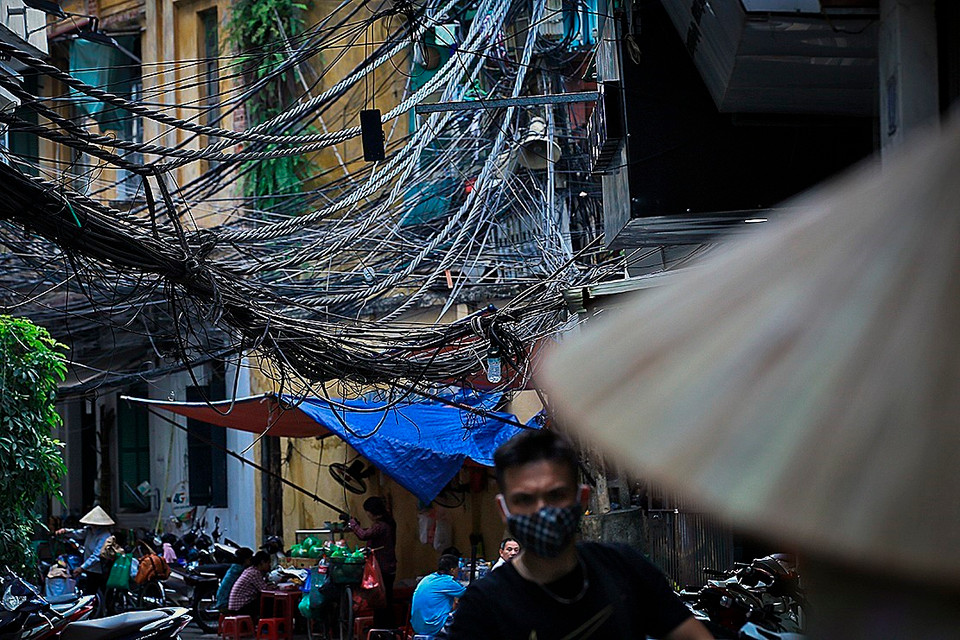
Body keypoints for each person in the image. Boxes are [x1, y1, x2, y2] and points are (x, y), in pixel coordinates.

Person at [438, 430, 713, 639]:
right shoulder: (483, 608)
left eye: (555, 495)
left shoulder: (625, 569)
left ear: (581, 500)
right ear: (504, 509)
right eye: (524, 500)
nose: (542, 510)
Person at [348, 496, 398, 627]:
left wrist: (353, 524)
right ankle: (385, 627)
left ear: (372, 512)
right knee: (386, 598)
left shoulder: (381, 526)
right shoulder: (388, 523)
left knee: (380, 600)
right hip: (390, 567)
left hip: (382, 568)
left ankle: (382, 627)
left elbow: (363, 535)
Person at [55, 506, 115, 596]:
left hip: (99, 570)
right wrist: (65, 531)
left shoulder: (104, 536)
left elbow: (96, 556)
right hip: (90, 569)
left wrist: (82, 568)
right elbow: (78, 534)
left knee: (93, 593)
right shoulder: (89, 531)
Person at [411, 554, 467, 636]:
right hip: (433, 626)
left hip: (418, 626)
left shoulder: (428, 578)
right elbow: (469, 595)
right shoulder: (447, 581)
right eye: (457, 569)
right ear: (452, 570)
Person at [228, 551, 272, 619]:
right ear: (262, 562)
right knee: (268, 602)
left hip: (235, 606)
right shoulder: (254, 573)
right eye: (268, 563)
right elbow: (264, 590)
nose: (269, 565)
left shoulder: (250, 570)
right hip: (240, 608)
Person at [216, 547, 254, 613]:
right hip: (226, 604)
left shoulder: (234, 568)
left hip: (221, 602)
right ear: (246, 560)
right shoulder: (240, 571)